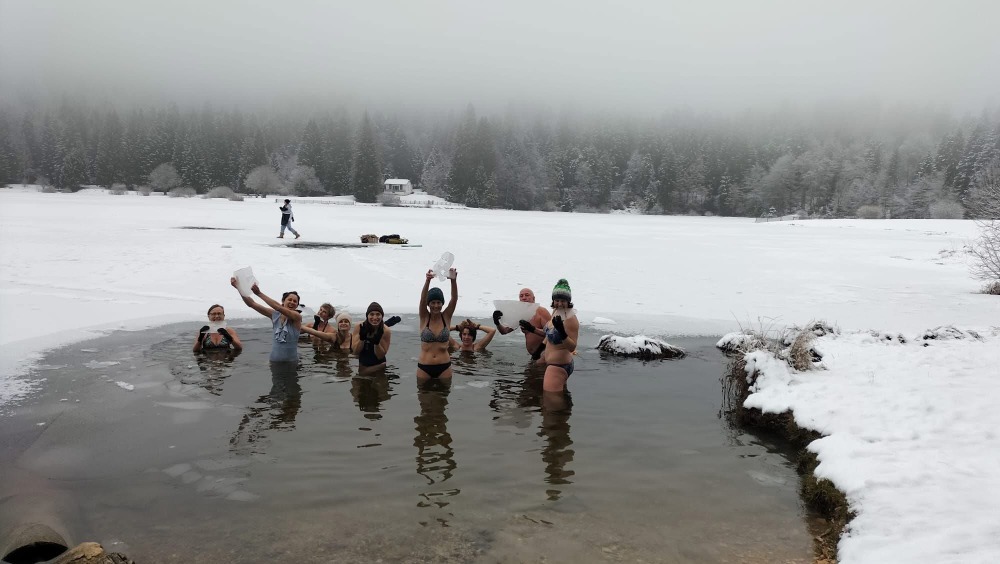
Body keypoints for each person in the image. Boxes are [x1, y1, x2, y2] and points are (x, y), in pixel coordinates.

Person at [520, 279, 579, 392]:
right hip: (552, 363)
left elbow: (572, 347)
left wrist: (562, 332)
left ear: (568, 301)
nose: (560, 304)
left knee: (549, 405)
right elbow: (549, 334)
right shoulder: (556, 311)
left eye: (563, 300)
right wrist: (532, 329)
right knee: (557, 401)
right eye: (557, 300)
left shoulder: (570, 318)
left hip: (558, 366)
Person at [231, 277, 302, 363]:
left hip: (291, 364)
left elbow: (278, 307)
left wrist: (259, 293)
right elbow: (252, 304)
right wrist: (239, 288)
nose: (292, 302)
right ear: (283, 301)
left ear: (297, 305)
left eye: (295, 301)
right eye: (289, 300)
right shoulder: (274, 315)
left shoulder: (297, 317)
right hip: (274, 362)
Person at [417, 267, 458, 381]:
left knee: (443, 397)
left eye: (439, 302)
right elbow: (422, 300)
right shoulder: (424, 316)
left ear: (442, 303)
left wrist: (453, 281)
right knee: (424, 397)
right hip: (424, 367)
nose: (436, 306)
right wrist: (427, 281)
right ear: (428, 304)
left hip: (444, 366)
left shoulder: (446, 317)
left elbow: (454, 299)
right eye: (433, 302)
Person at [494, 287, 551, 361]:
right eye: (521, 296)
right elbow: (504, 331)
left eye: (527, 295)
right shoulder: (520, 314)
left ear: (533, 298)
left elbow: (551, 334)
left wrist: (532, 329)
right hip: (534, 356)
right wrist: (497, 322)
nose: (524, 298)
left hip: (545, 354)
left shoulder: (541, 311)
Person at [352, 302, 392, 373]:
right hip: (362, 366)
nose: (375, 317)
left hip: (379, 366)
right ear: (367, 316)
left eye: (378, 314)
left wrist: (376, 343)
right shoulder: (359, 326)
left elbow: (380, 356)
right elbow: (355, 352)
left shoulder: (385, 330)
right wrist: (362, 339)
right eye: (372, 314)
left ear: (382, 316)